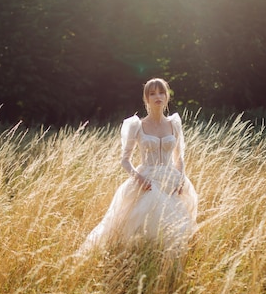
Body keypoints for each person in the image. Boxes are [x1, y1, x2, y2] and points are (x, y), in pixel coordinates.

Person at [78, 78, 198, 254]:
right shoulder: (137, 125)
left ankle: (166, 263)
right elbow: (124, 160)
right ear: (146, 99)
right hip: (147, 180)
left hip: (171, 180)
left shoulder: (174, 124)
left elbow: (179, 158)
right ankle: (140, 257)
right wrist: (138, 177)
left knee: (175, 227)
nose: (157, 96)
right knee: (141, 224)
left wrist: (180, 181)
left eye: (161, 92)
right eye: (152, 93)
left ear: (167, 96)